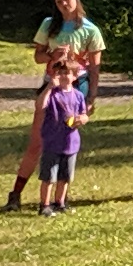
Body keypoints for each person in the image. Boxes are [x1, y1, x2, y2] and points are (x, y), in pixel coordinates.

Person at [6, 0, 104, 213]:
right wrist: (53, 55)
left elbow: (96, 68)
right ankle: (15, 194)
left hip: (77, 87)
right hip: (51, 86)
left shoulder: (90, 29)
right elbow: (37, 56)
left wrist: (91, 97)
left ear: (76, 0)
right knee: (37, 141)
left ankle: (60, 199)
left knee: (67, 141)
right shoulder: (49, 24)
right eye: (58, 1)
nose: (63, 4)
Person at [30, 53, 89, 213]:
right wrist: (49, 86)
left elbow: (83, 113)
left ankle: (60, 202)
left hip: (70, 142)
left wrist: (83, 119)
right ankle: (45, 204)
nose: (63, 76)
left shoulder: (78, 95)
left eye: (67, 73)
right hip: (52, 141)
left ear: (75, 76)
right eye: (60, 73)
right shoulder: (52, 94)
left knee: (65, 176)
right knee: (49, 176)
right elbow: (40, 106)